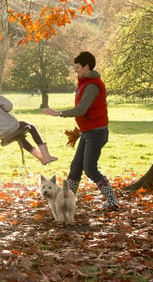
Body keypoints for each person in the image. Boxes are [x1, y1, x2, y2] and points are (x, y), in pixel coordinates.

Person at [44, 51, 119, 211]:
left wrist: (58, 113)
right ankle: (67, 203)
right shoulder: (84, 83)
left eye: (78, 67)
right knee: (75, 168)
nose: (75, 70)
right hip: (88, 132)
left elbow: (81, 109)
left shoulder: (92, 85)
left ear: (87, 66)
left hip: (96, 133)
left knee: (90, 168)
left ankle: (112, 200)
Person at [0, 80, 58, 164]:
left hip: (0, 133)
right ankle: (46, 155)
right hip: (11, 126)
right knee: (32, 127)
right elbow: (8, 107)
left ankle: (42, 158)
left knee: (21, 138)